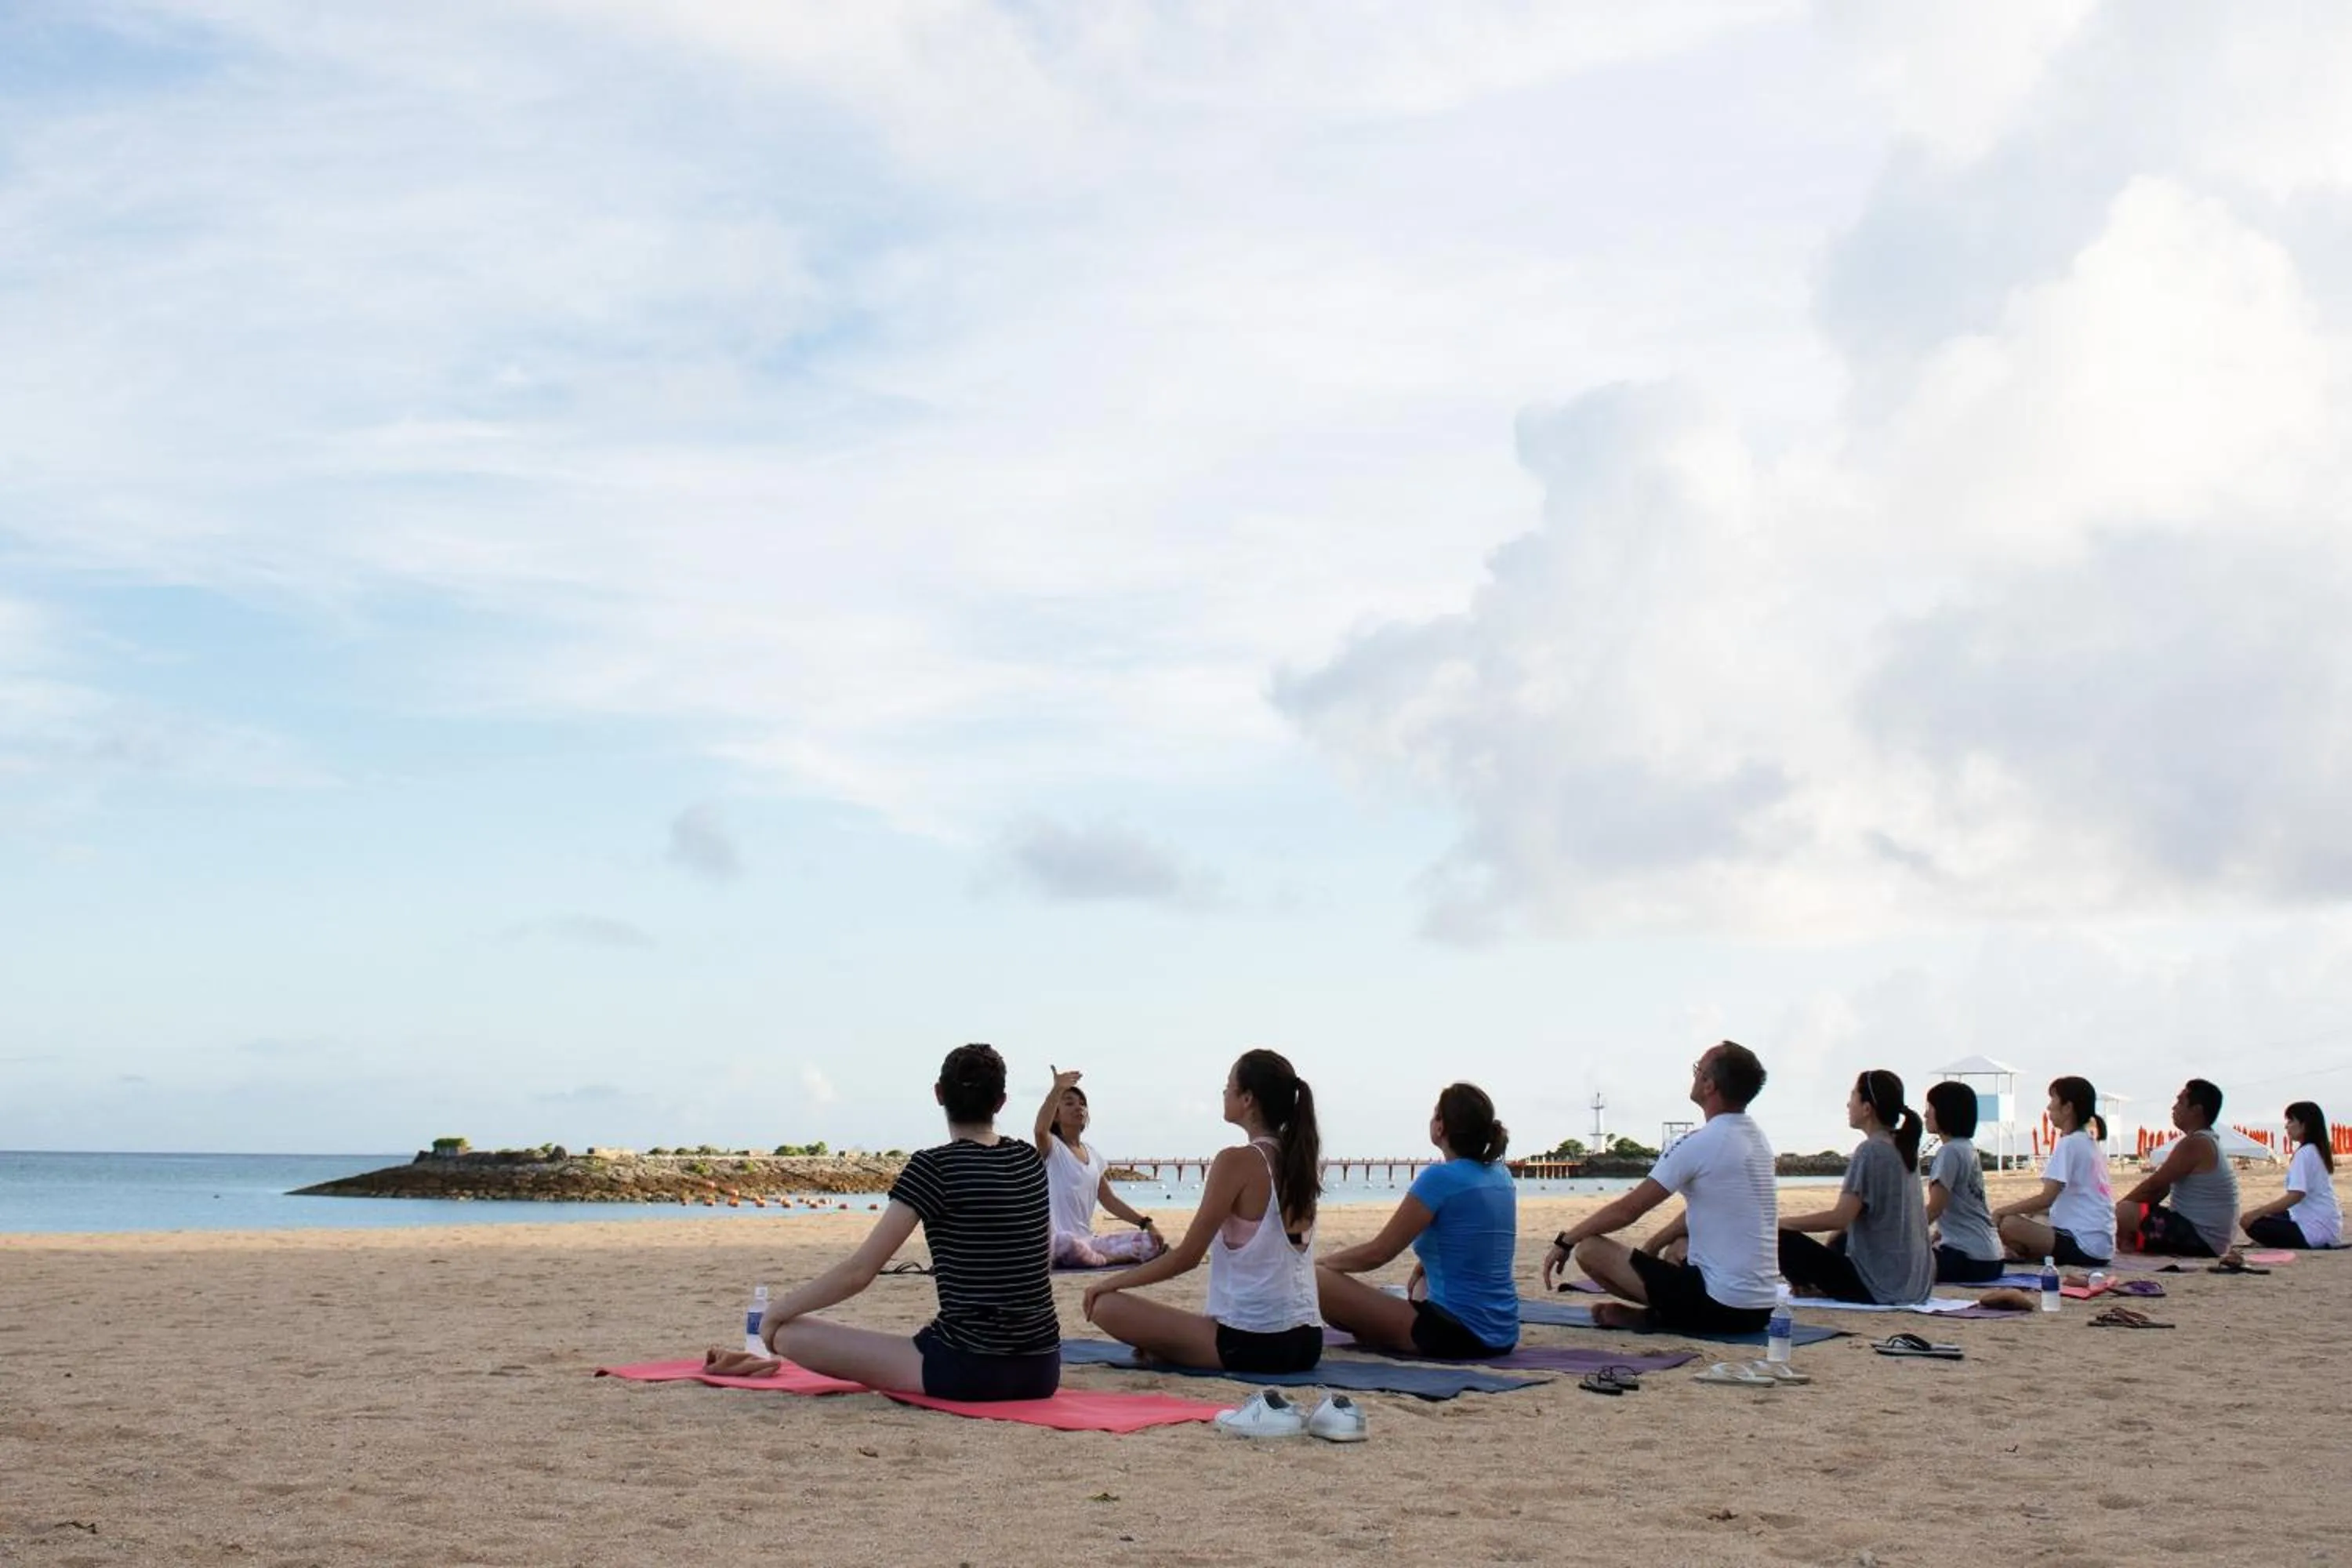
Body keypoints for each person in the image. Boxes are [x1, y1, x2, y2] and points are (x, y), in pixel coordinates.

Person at [708, 1043, 1061, 1401]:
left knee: (786, 1333)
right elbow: (1039, 1259)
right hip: (1042, 1369)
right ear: (1001, 1102)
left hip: (967, 1370)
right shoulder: (1029, 1161)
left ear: (939, 1095)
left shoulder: (932, 1167)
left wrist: (774, 1314)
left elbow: (859, 1272)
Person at [1080, 1050, 1323, 1373]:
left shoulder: (1236, 1161)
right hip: (1308, 1342)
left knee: (1103, 1305)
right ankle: (1174, 1349)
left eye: (1229, 1085)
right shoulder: (1300, 1161)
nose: (1223, 1092)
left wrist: (1109, 1284)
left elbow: (1187, 1257)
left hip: (1253, 1343)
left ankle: (1173, 1350)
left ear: (1248, 1099)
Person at [1541, 1041, 1780, 1333]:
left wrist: (1566, 1240)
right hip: (1761, 1308)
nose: (1693, 1076)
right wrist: (1654, 1244)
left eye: (1698, 1070)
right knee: (1679, 1244)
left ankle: (1657, 1318)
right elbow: (1712, 1210)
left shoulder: (1703, 1142)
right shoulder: (1758, 1140)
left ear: (1709, 1085)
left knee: (1589, 1249)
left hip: (1722, 1304)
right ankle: (1658, 1314)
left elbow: (1629, 1209)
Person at [1316, 1083, 1519, 1358]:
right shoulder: (1501, 1176)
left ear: (1440, 1128)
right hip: (1503, 1334)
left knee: (1317, 1280)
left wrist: (1321, 1265)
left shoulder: (1440, 1178)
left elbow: (1379, 1253)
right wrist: (1423, 1264)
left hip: (1457, 1334)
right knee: (1420, 1282)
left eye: (1436, 1114)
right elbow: (1475, 1237)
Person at [1777, 1069, 1933, 1305]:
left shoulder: (1871, 1150)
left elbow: (1840, 1217)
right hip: (1915, 1284)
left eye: (1853, 1096)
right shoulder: (1902, 1146)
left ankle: (1807, 1287)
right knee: (1840, 1240)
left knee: (1779, 1237)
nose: (1848, 1104)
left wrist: (1780, 1223)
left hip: (1877, 1287)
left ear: (1867, 1108)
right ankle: (1811, 1284)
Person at [1033, 1066, 1167, 1268]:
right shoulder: (1053, 1148)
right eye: (1069, 1103)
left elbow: (1110, 1200)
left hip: (1088, 1241)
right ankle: (1110, 1259)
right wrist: (1057, 1090)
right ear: (1057, 1115)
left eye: (1082, 1104)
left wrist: (1147, 1224)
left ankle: (1103, 1258)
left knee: (1151, 1242)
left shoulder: (1093, 1155)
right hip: (1057, 1243)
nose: (1079, 1107)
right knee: (1068, 1243)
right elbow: (1040, 1130)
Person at [1994, 1076, 2114, 1265]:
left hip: (2083, 1246)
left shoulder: (2070, 1144)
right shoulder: (2087, 1141)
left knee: (2009, 1223)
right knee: (2035, 1215)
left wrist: (2000, 1212)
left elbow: (2046, 1198)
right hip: (2099, 1246)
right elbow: (2052, 1203)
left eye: (2053, 1100)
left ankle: (2027, 1251)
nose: (2049, 1107)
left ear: (2067, 1108)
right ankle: (2029, 1251)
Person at [2115, 1079, 2239, 1257]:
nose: (2174, 1108)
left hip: (2203, 1240)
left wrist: (2117, 1213)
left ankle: (2131, 1243)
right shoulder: (2205, 1140)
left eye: (2180, 1102)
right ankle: (2132, 1242)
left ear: (2196, 1110)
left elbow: (2154, 1185)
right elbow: (2161, 1189)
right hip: (2213, 1240)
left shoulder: (2196, 1142)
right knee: (2129, 1213)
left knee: (2126, 1211)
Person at [1922, 1080, 2005, 1283]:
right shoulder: (1967, 1149)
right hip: (1992, 1258)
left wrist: (1902, 1234)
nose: (1925, 1115)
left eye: (1929, 1108)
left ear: (1944, 1112)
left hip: (1967, 1259)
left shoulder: (1949, 1152)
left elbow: (1934, 1209)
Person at [2240, 1102, 2339, 1250]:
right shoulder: (2315, 1151)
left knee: (2252, 1223)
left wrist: (2256, 1213)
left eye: (2291, 1121)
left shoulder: (2305, 1154)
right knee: (2270, 1217)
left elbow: (2295, 1195)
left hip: (2312, 1232)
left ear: (2304, 1125)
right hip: (2328, 1227)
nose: (2286, 1126)